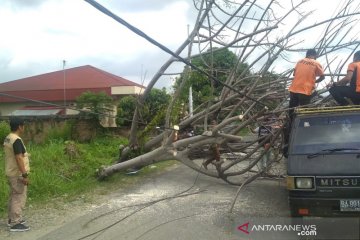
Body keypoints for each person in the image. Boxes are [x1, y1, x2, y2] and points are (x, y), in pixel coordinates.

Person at [3, 118, 30, 232]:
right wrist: (24, 175)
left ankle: (11, 219)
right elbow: (18, 157)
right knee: (19, 197)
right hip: (17, 173)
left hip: (11, 171)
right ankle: (15, 222)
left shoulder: (8, 138)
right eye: (23, 126)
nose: (23, 127)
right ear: (20, 127)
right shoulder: (16, 140)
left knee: (14, 195)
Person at [288, 49, 325, 119]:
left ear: (307, 54)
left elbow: (294, 74)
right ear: (315, 55)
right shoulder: (316, 63)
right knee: (304, 110)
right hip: (305, 90)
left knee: (291, 109)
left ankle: (290, 123)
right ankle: (303, 125)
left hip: (294, 89)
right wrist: (315, 81)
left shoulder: (299, 61)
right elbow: (322, 77)